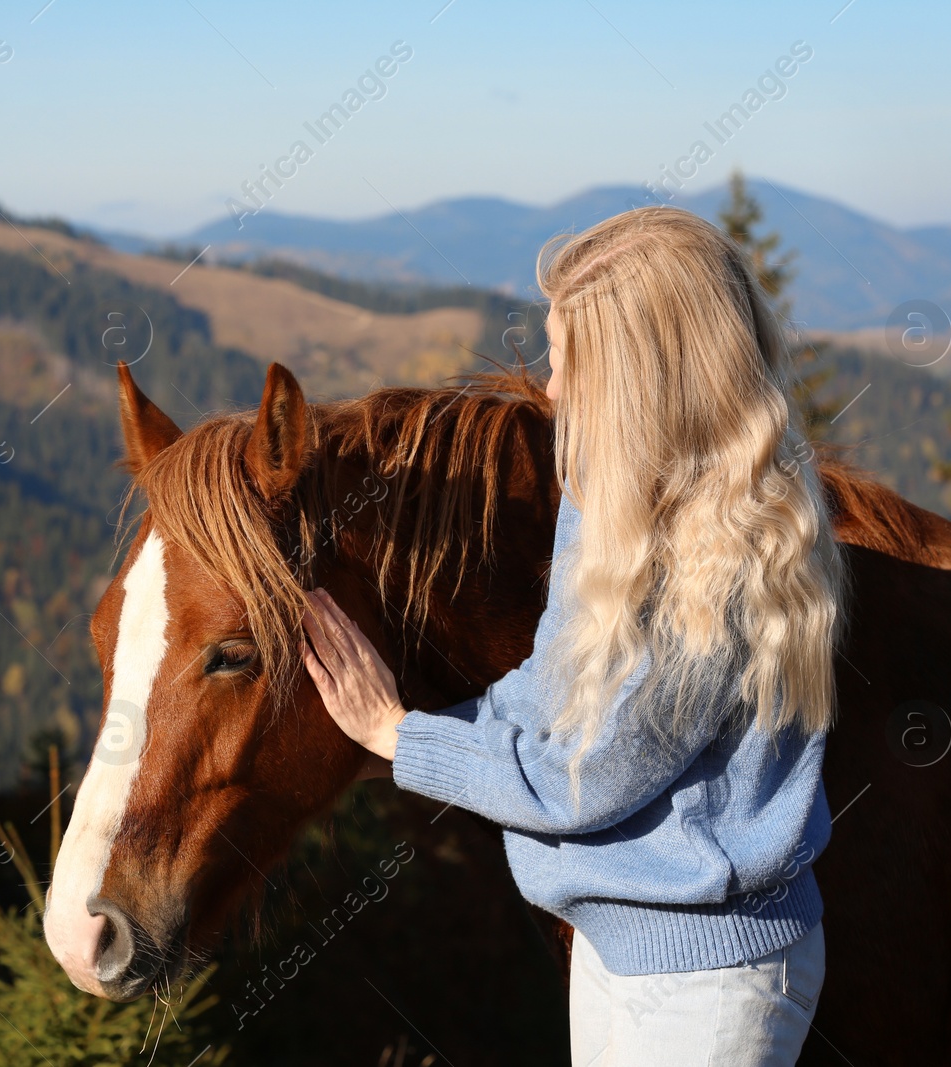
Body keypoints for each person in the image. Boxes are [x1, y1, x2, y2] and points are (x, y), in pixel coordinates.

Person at [300, 206, 843, 1066]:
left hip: (714, 975)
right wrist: (402, 742)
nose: (549, 389)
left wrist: (399, 734)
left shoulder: (724, 559)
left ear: (641, 378)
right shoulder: (603, 500)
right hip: (608, 943)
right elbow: (550, 687)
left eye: (568, 362)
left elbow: (584, 779)